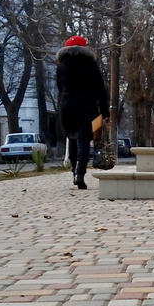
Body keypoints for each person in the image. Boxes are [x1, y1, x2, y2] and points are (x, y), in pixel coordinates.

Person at [55, 35, 110, 190]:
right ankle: (80, 172)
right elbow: (100, 89)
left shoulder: (61, 66)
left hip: (66, 106)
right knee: (84, 139)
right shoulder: (90, 65)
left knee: (72, 138)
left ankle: (74, 171)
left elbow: (59, 87)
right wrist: (105, 112)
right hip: (87, 106)